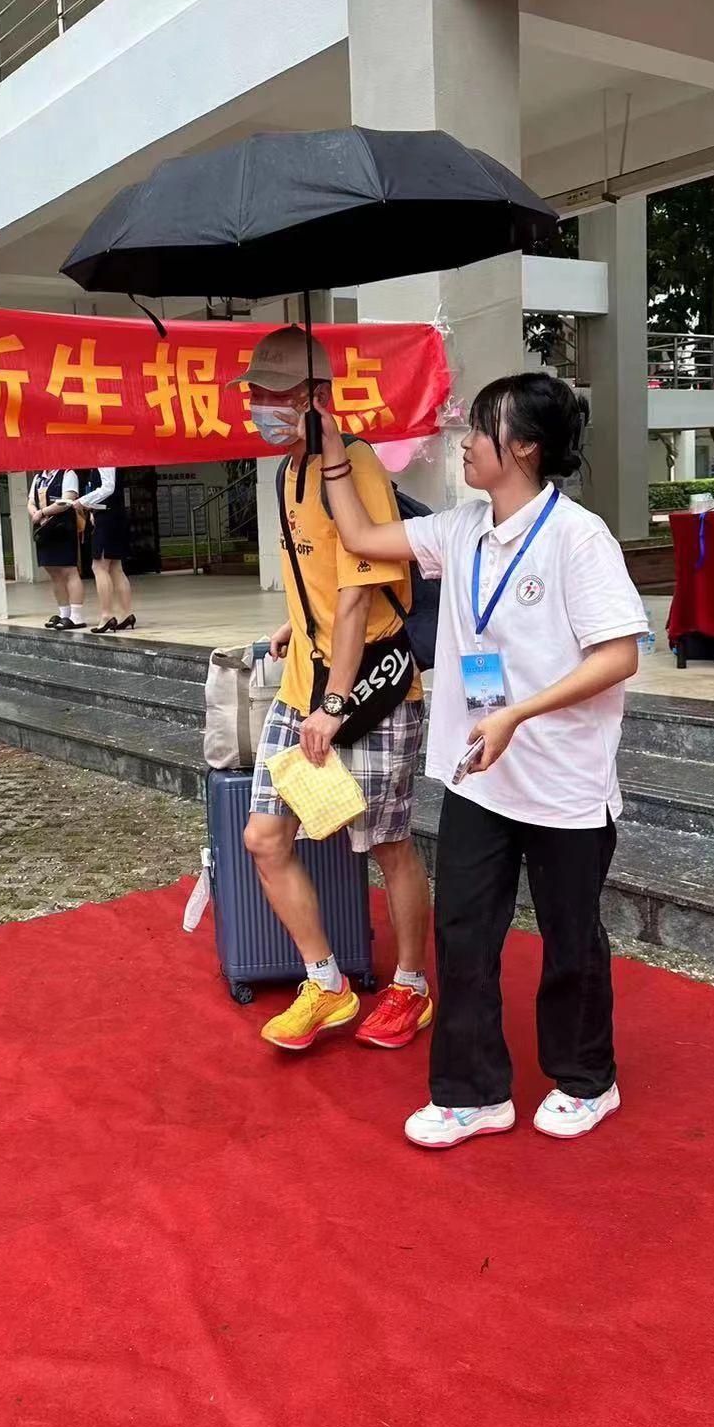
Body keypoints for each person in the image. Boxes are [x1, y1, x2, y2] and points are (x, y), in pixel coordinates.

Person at [319, 372, 648, 1148]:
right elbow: (361, 535)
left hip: (562, 782)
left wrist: (519, 713)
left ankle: (586, 1078)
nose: (463, 442)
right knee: (464, 931)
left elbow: (619, 656)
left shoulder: (578, 538)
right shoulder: (460, 529)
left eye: (478, 429)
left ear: (523, 446)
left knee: (571, 939)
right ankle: (472, 1092)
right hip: (479, 776)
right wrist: (332, 448)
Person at [232, 326, 432, 1054]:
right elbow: (314, 572)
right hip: (304, 682)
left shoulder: (355, 467)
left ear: (316, 397)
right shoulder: (287, 469)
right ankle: (326, 983)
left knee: (387, 843)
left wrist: (335, 704)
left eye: (273, 394)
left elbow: (358, 594)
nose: (259, 406)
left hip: (370, 686)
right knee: (263, 836)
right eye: (254, 393)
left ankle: (410, 985)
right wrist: (294, 622)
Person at [75, 468, 137, 634]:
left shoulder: (105, 459)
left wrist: (83, 501)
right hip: (112, 516)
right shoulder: (108, 460)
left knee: (99, 567)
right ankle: (126, 614)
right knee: (116, 567)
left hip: (107, 518)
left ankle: (106, 615)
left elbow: (108, 487)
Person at [29, 468, 85, 630]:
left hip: (62, 528)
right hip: (44, 529)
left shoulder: (68, 474)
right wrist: (36, 514)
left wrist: (42, 512)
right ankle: (64, 613)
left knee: (69, 570)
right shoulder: (38, 478)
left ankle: (76, 615)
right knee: (53, 571)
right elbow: (31, 501)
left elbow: (67, 501)